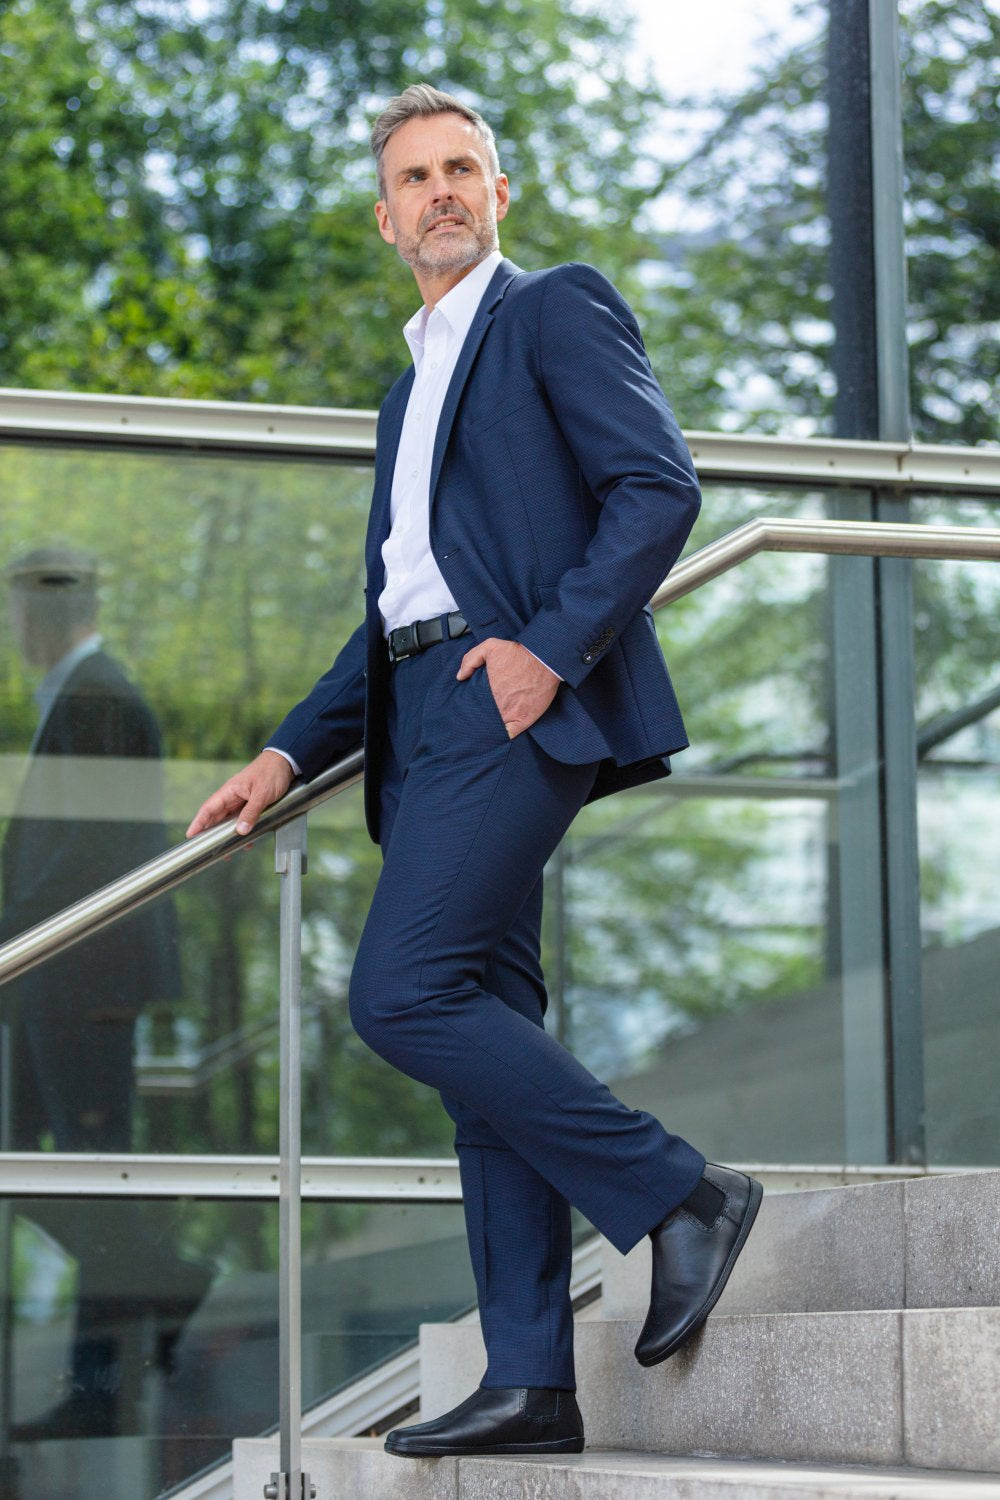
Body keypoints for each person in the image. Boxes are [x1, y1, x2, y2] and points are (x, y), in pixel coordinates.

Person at [187, 84, 761, 1458]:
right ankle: (529, 1377)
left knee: (400, 992)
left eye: (464, 169)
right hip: (424, 721)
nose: (441, 190)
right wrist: (285, 750)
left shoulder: (553, 307)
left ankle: (681, 1197)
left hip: (512, 708)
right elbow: (390, 611)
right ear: (385, 218)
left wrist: (546, 653)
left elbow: (658, 487)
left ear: (498, 194)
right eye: (415, 177)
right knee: (477, 1036)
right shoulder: (407, 392)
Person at [1, 546, 207, 1440]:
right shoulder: (78, 699)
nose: (10, 630)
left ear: (44, 611)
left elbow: (94, 852)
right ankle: (156, 1287)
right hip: (60, 976)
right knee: (38, 1161)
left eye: (15, 610)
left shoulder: (97, 697)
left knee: (85, 1167)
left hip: (82, 977)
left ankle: (102, 1378)